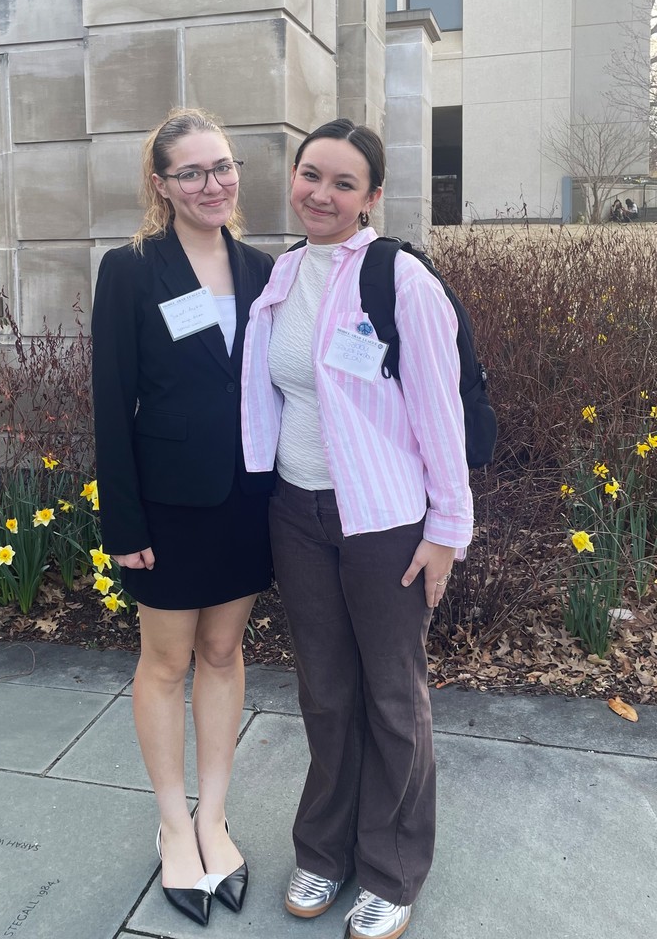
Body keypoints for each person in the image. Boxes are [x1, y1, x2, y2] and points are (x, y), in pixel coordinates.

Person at [241, 119, 473, 939]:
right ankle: (324, 850)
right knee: (326, 690)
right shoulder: (279, 277)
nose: (322, 194)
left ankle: (392, 869)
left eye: (344, 183)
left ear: (373, 196)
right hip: (295, 512)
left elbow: (440, 415)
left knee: (391, 695)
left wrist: (446, 532)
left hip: (382, 521)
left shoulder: (399, 278)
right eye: (311, 176)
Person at [91, 108, 275, 928]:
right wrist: (122, 526)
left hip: (247, 501)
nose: (214, 184)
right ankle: (173, 823)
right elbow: (110, 404)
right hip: (166, 505)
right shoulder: (129, 269)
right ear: (160, 184)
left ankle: (213, 817)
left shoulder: (268, 269)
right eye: (193, 172)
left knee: (225, 650)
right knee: (165, 665)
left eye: (223, 167)